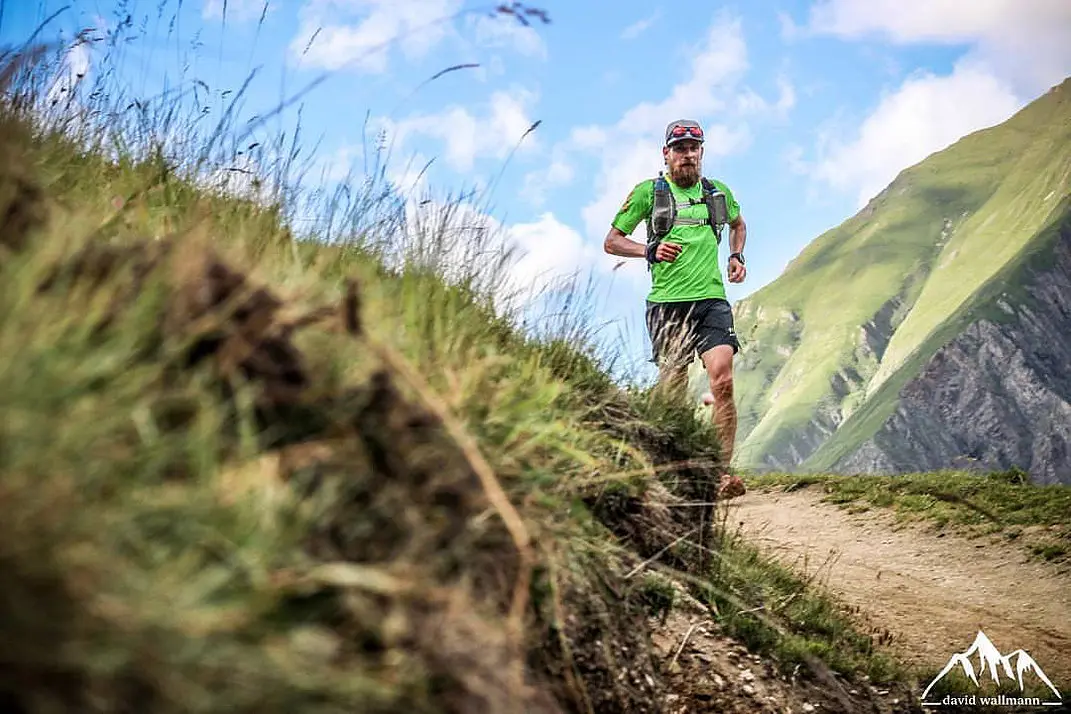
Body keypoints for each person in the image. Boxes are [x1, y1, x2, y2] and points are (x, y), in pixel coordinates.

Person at [602, 119, 747, 499]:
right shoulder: (648, 193)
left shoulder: (718, 193)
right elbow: (612, 242)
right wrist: (648, 250)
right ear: (666, 154)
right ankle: (671, 472)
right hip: (667, 305)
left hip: (712, 301)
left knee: (723, 381)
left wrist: (735, 256)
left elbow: (738, 224)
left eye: (693, 148)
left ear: (701, 153)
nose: (687, 155)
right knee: (673, 392)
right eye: (679, 148)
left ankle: (720, 474)